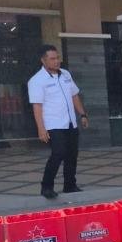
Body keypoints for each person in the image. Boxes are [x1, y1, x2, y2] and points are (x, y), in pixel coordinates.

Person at [28, 45, 90, 199]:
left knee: (72, 155)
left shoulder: (66, 75)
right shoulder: (37, 80)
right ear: (43, 60)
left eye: (58, 58)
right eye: (52, 59)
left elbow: (74, 96)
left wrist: (82, 114)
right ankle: (46, 186)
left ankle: (70, 185)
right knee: (58, 153)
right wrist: (41, 129)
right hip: (53, 124)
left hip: (70, 123)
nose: (57, 61)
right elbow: (37, 106)